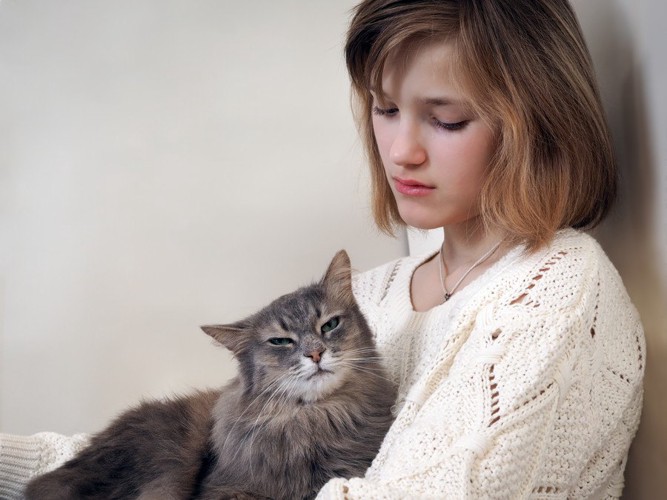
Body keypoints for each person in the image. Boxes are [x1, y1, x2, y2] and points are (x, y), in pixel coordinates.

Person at [0, 0, 645, 498]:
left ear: (536, 123)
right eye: (385, 108)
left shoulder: (557, 290)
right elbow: (163, 453)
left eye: (445, 118)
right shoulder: (376, 292)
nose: (400, 150)